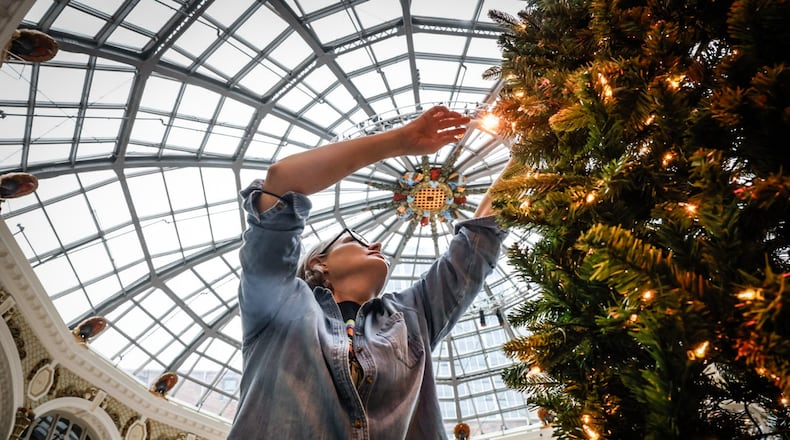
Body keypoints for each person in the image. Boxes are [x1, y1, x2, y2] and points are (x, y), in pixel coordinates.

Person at [229, 105, 510, 439]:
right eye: (357, 240)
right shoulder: (279, 299)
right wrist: (402, 140)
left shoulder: (413, 315)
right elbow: (281, 182)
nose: (377, 246)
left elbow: (480, 238)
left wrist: (527, 153)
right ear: (319, 262)